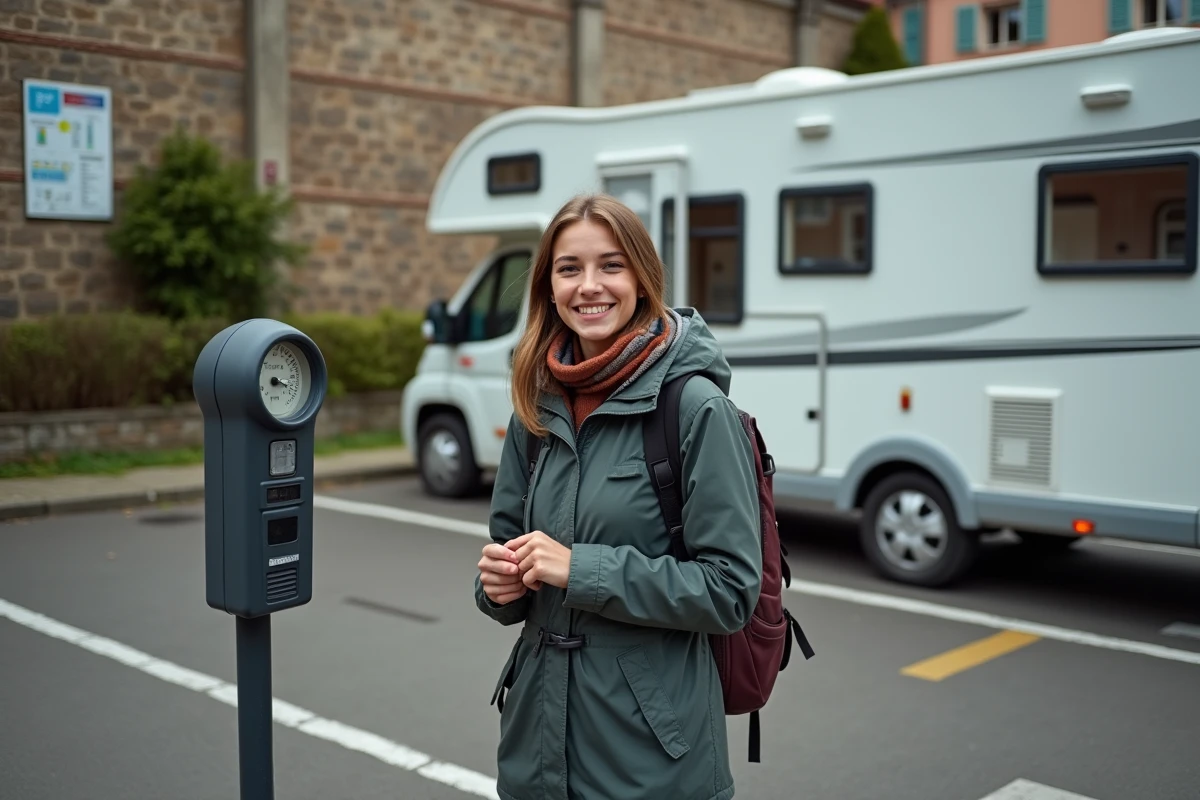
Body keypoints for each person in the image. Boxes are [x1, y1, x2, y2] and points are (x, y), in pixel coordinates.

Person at [474, 193, 763, 800]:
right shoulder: (535, 405)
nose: (589, 286)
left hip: (652, 760)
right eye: (569, 268)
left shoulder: (694, 408)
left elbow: (730, 590)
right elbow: (508, 548)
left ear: (642, 278)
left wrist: (581, 568)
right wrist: (498, 586)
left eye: (611, 265)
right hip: (536, 748)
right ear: (548, 287)